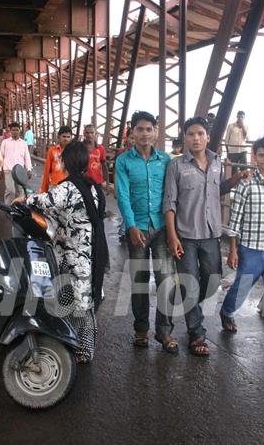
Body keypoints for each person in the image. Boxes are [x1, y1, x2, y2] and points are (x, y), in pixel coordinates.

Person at [13, 141, 108, 364]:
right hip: (91, 251)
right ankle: (71, 342)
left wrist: (24, 198)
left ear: (65, 161)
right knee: (78, 299)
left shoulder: (69, 186)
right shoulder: (92, 185)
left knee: (80, 303)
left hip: (76, 254)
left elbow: (49, 200)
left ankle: (83, 351)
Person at [163, 116, 248, 356]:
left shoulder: (216, 161)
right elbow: (169, 202)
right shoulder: (177, 166)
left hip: (211, 234)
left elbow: (217, 189)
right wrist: (172, 236)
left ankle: (188, 304)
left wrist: (236, 179)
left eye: (200, 133)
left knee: (212, 282)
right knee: (191, 285)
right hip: (186, 236)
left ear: (207, 136)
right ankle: (196, 334)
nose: (196, 138)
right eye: (191, 134)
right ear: (185, 138)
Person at [219, 138, 264, 357]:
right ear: (254, 157)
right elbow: (235, 219)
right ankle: (227, 311)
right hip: (250, 248)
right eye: (261, 155)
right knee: (242, 288)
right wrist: (233, 249)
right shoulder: (246, 184)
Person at [115, 110, 174, 350]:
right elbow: (122, 195)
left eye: (149, 129)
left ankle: (164, 331)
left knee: (166, 279)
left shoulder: (166, 160)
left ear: (156, 132)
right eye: (140, 129)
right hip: (137, 228)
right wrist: (130, 226)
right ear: (132, 133)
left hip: (160, 227)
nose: (145, 133)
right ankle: (141, 330)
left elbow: (172, 195)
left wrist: (173, 230)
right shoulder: (123, 161)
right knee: (139, 280)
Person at [0, 122, 33, 205]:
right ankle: (8, 208)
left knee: (20, 191)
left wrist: (29, 169)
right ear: (10, 131)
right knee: (10, 190)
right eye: (13, 130)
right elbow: (1, 156)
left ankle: (19, 207)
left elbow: (27, 157)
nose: (15, 132)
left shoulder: (23, 143)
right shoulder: (5, 142)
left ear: (19, 131)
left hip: (19, 171)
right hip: (8, 169)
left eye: (17, 130)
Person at [40, 126, 73, 192]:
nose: (66, 139)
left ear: (71, 138)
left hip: (70, 186)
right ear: (59, 137)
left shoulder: (74, 151)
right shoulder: (52, 151)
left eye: (68, 137)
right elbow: (46, 171)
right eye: (64, 136)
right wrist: (43, 190)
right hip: (55, 186)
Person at [82, 124, 110, 191]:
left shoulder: (100, 148)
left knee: (100, 201)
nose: (89, 135)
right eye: (87, 133)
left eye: (92, 132)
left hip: (97, 182)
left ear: (95, 134)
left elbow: (104, 165)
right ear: (84, 134)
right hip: (83, 182)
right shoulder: (80, 147)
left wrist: (107, 184)